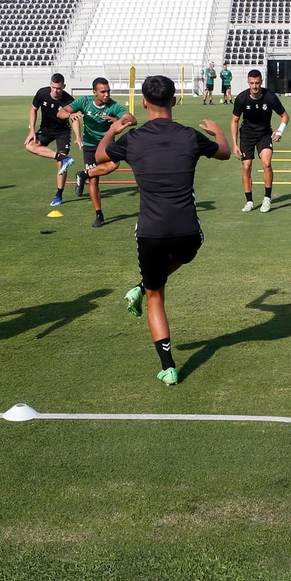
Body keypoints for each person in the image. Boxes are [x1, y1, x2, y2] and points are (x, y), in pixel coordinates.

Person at [96, 74, 230, 386]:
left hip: (150, 231)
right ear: (174, 101)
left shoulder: (133, 139)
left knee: (156, 294)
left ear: (144, 103)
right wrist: (220, 133)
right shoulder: (190, 136)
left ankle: (168, 367)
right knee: (191, 249)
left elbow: (102, 155)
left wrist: (113, 129)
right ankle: (141, 287)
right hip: (187, 230)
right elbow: (224, 153)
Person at [65, 77, 136, 229]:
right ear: (94, 92)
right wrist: (69, 115)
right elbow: (62, 112)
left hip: (106, 146)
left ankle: (83, 174)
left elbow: (132, 119)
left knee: (114, 165)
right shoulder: (84, 101)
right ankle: (99, 215)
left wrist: (117, 120)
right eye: (103, 92)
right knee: (94, 181)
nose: (106, 94)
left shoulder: (113, 105)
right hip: (90, 145)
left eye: (108, 91)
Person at [231, 68, 289, 213]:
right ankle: (249, 201)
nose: (255, 86)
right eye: (252, 83)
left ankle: (267, 199)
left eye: (257, 83)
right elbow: (234, 121)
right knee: (246, 167)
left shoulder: (270, 97)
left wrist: (280, 130)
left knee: (266, 163)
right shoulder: (241, 98)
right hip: (247, 135)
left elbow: (285, 116)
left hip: (264, 134)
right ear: (248, 82)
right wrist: (235, 144)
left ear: (261, 82)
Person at [26, 73, 77, 206]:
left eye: (59, 88)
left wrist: (78, 136)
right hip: (46, 129)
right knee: (29, 145)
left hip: (62, 132)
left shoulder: (69, 100)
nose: (55, 90)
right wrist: (32, 131)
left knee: (61, 164)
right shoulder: (42, 93)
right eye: (53, 87)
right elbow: (33, 109)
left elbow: (74, 118)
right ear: (50, 85)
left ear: (63, 86)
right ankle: (63, 157)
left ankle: (59, 195)